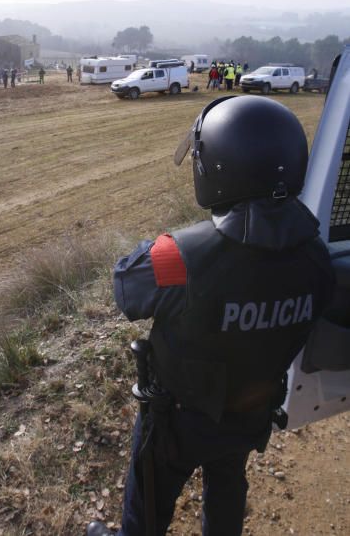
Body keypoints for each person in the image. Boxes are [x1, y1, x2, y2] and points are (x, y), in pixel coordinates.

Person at [87, 95, 334, 536]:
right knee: (227, 487)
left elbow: (126, 288)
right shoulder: (319, 258)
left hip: (176, 418)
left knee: (148, 505)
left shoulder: (179, 256)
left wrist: (171, 238)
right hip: (250, 409)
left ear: (218, 166)